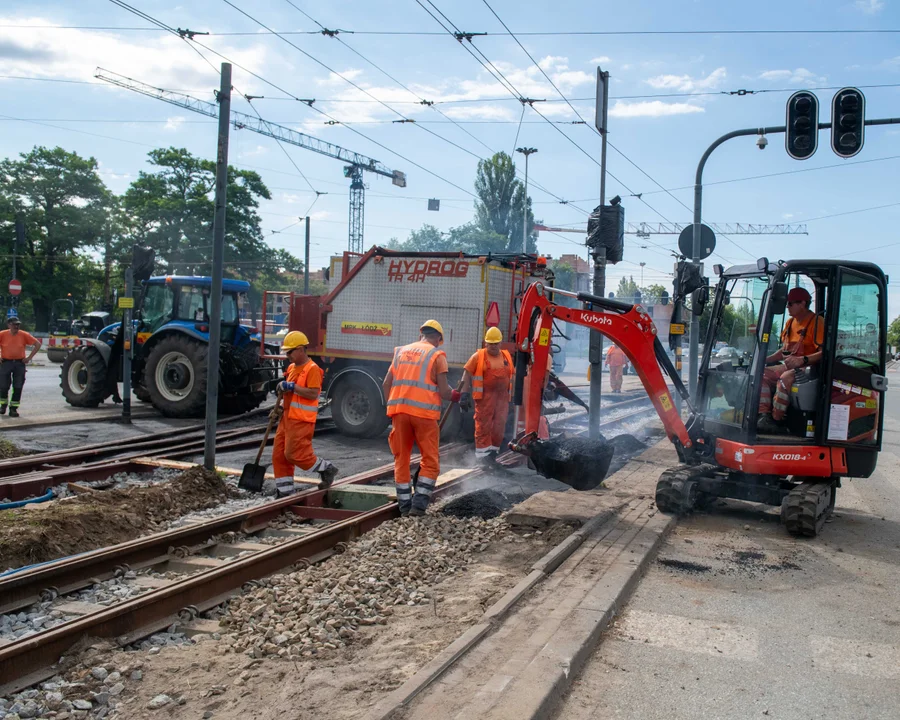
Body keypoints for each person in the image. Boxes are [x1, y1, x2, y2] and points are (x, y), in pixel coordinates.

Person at [383, 320, 460, 517]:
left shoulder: (400, 352)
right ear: (438, 339)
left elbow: (386, 383)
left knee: (401, 458)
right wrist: (456, 396)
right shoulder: (437, 355)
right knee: (430, 459)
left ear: (421, 335)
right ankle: (418, 506)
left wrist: (391, 408)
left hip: (399, 413)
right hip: (424, 416)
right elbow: (444, 392)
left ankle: (404, 506)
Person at [271, 331, 338, 497]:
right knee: (279, 456)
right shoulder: (292, 368)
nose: (287, 355)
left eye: (290, 352)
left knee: (294, 454)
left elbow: (313, 393)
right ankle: (285, 493)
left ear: (300, 349)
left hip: (301, 419)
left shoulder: (312, 369)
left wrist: (292, 387)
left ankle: (326, 468)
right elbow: (289, 394)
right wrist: (279, 407)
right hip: (287, 417)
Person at [757, 287, 824, 433]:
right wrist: (764, 359)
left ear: (803, 303)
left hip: (809, 368)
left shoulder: (816, 322)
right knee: (760, 374)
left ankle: (777, 420)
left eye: (791, 303)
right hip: (789, 365)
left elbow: (824, 352)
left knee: (784, 379)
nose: (787, 306)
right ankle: (764, 417)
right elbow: (785, 351)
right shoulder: (790, 323)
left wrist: (802, 360)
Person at [460, 327, 514, 462]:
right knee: (483, 426)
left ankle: (493, 454)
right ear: (486, 343)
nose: (494, 346)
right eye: (491, 343)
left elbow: (512, 376)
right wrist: (464, 394)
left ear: (501, 343)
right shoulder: (478, 356)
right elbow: (466, 374)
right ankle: (482, 458)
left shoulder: (506, 356)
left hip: (502, 398)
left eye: (496, 343)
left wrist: (513, 395)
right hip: (485, 398)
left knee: (499, 426)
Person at [0, 314, 41, 417]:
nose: (16, 327)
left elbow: (37, 344)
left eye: (18, 325)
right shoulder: (2, 334)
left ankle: (13, 408)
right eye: (14, 325)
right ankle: (3, 406)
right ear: (9, 325)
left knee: (18, 386)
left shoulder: (23, 335)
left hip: (19, 364)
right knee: (3, 386)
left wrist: (29, 358)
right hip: (5, 363)